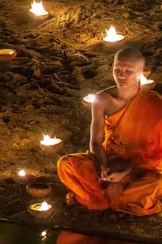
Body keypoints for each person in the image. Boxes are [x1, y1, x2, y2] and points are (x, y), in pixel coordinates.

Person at [58, 46, 162, 215]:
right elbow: (95, 142)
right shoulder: (102, 99)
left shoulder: (155, 104)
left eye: (129, 71)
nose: (121, 75)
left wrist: (125, 172)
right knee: (66, 164)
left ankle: (96, 197)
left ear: (141, 72)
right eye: (117, 69)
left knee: (157, 182)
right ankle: (115, 198)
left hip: (139, 167)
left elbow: (157, 155)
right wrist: (104, 168)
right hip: (108, 158)